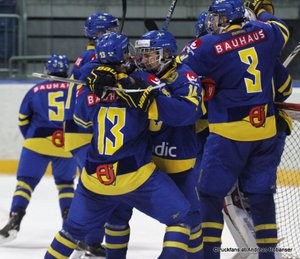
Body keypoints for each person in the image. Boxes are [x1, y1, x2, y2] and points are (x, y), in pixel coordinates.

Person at [44, 32, 197, 259]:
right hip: (135, 176)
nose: (139, 58)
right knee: (182, 219)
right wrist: (147, 96)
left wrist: (95, 81)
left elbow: (81, 119)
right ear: (124, 55)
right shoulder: (144, 81)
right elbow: (164, 120)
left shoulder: (91, 83)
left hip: (94, 179)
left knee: (69, 233)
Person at [181, 0, 290, 258]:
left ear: (228, 18)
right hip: (266, 131)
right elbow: (284, 87)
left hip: (230, 135)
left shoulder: (208, 45)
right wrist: (263, 9)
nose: (213, 22)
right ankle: (267, 255)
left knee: (208, 193)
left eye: (217, 18)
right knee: (261, 195)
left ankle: (211, 254)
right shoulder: (264, 35)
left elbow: (175, 70)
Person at [0, 54, 77, 244]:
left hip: (36, 143)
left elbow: (22, 120)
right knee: (66, 185)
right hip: (67, 145)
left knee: (25, 184)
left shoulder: (36, 90)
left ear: (47, 69)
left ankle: (15, 218)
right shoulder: (74, 90)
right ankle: (69, 226)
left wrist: (32, 139)